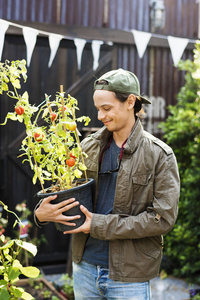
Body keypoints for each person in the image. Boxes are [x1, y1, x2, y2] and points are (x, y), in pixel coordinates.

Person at [35, 69, 180, 300]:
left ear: (130, 101)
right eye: (98, 109)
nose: (100, 116)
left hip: (129, 276)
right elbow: (62, 193)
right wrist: (41, 214)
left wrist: (99, 225)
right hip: (84, 269)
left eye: (107, 108)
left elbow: (162, 219)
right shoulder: (87, 147)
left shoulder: (160, 155)